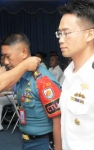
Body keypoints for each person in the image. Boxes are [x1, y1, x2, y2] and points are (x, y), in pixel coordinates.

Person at [1, 32, 62, 150]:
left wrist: (58, 148)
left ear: (24, 53)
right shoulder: (22, 77)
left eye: (8, 56)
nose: (6, 62)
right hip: (27, 140)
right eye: (4, 57)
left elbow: (58, 120)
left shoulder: (43, 80)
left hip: (42, 142)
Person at [56, 0, 94, 149]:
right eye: (59, 33)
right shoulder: (69, 73)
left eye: (67, 33)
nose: (61, 39)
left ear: (90, 34)